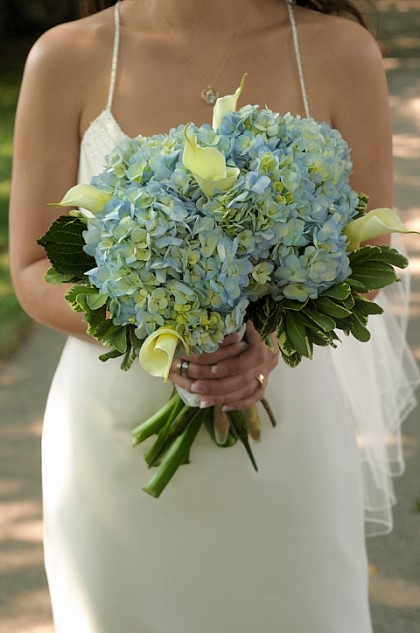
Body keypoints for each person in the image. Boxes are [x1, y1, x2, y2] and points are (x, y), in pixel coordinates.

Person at [8, 0, 420, 631]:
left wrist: (267, 344)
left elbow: (369, 254)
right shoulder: (68, 56)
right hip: (114, 438)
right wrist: (161, 332)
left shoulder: (339, 52)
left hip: (289, 429)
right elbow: (33, 267)